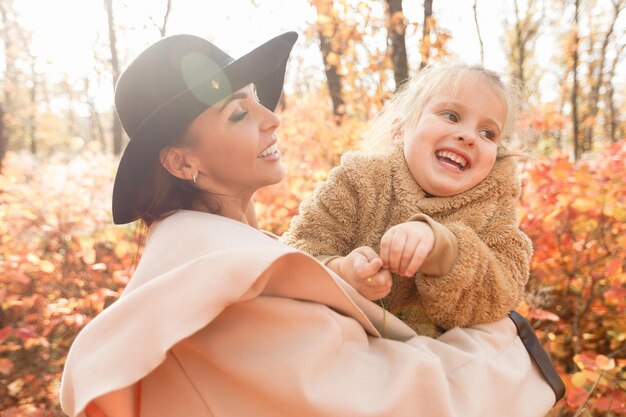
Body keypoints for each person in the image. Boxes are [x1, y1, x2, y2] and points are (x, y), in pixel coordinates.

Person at [59, 32, 563, 417]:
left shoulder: (235, 256)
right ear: (181, 162)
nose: (271, 116)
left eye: (258, 97)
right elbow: (399, 402)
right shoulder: (219, 284)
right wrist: (512, 346)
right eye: (238, 114)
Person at [281, 64, 532, 337]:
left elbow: (504, 289)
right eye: (451, 115)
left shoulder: (493, 206)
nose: (469, 136)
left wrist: (444, 249)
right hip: (342, 345)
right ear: (400, 130)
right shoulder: (360, 181)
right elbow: (298, 249)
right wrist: (341, 270)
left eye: (488, 133)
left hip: (438, 364)